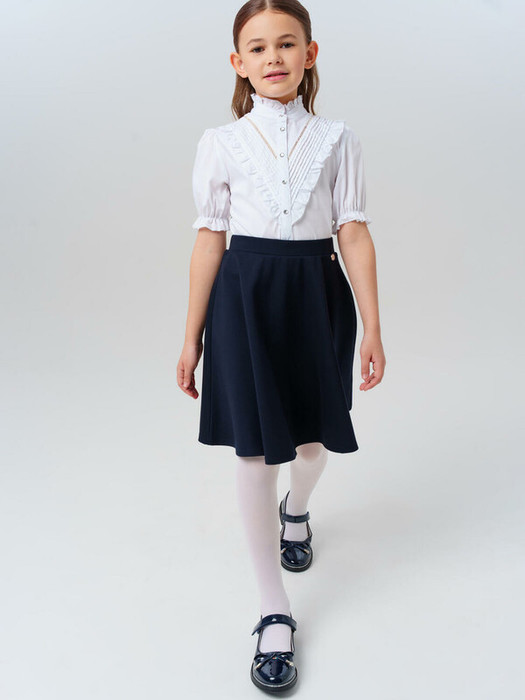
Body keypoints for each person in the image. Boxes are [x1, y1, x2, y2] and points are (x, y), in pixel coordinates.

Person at [177, 0, 386, 693]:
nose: (274, 57)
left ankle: (296, 510)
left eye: (287, 44)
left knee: (311, 446)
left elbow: (352, 230)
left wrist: (373, 325)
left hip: (315, 296)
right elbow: (209, 239)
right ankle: (273, 608)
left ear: (310, 54)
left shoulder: (338, 138)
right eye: (259, 47)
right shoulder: (221, 141)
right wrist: (190, 337)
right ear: (239, 63)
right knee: (252, 452)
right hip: (243, 301)